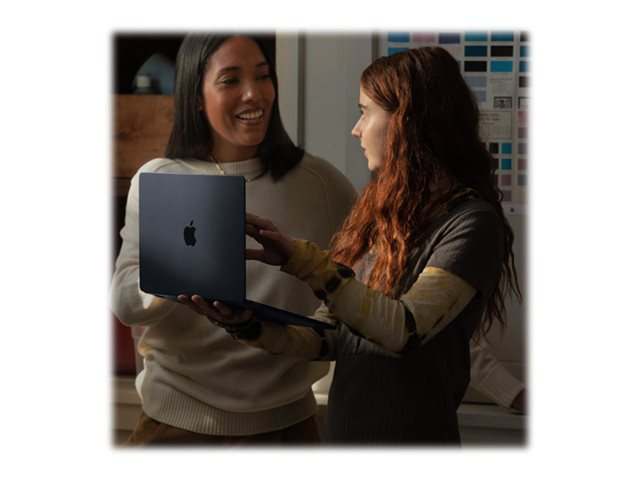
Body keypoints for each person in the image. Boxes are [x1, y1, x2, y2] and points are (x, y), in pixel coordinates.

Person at [181, 46, 522, 444]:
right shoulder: (380, 216)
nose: (356, 130)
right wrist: (248, 324)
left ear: (408, 121)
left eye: (366, 112)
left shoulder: (471, 222)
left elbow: (404, 329)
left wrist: (304, 260)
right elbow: (330, 336)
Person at [110, 33, 356, 445]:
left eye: (263, 76)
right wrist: (182, 266)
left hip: (289, 428)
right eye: (230, 80)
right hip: (175, 424)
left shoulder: (322, 184)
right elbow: (125, 305)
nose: (253, 94)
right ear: (196, 96)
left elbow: (361, 296)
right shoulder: (160, 178)